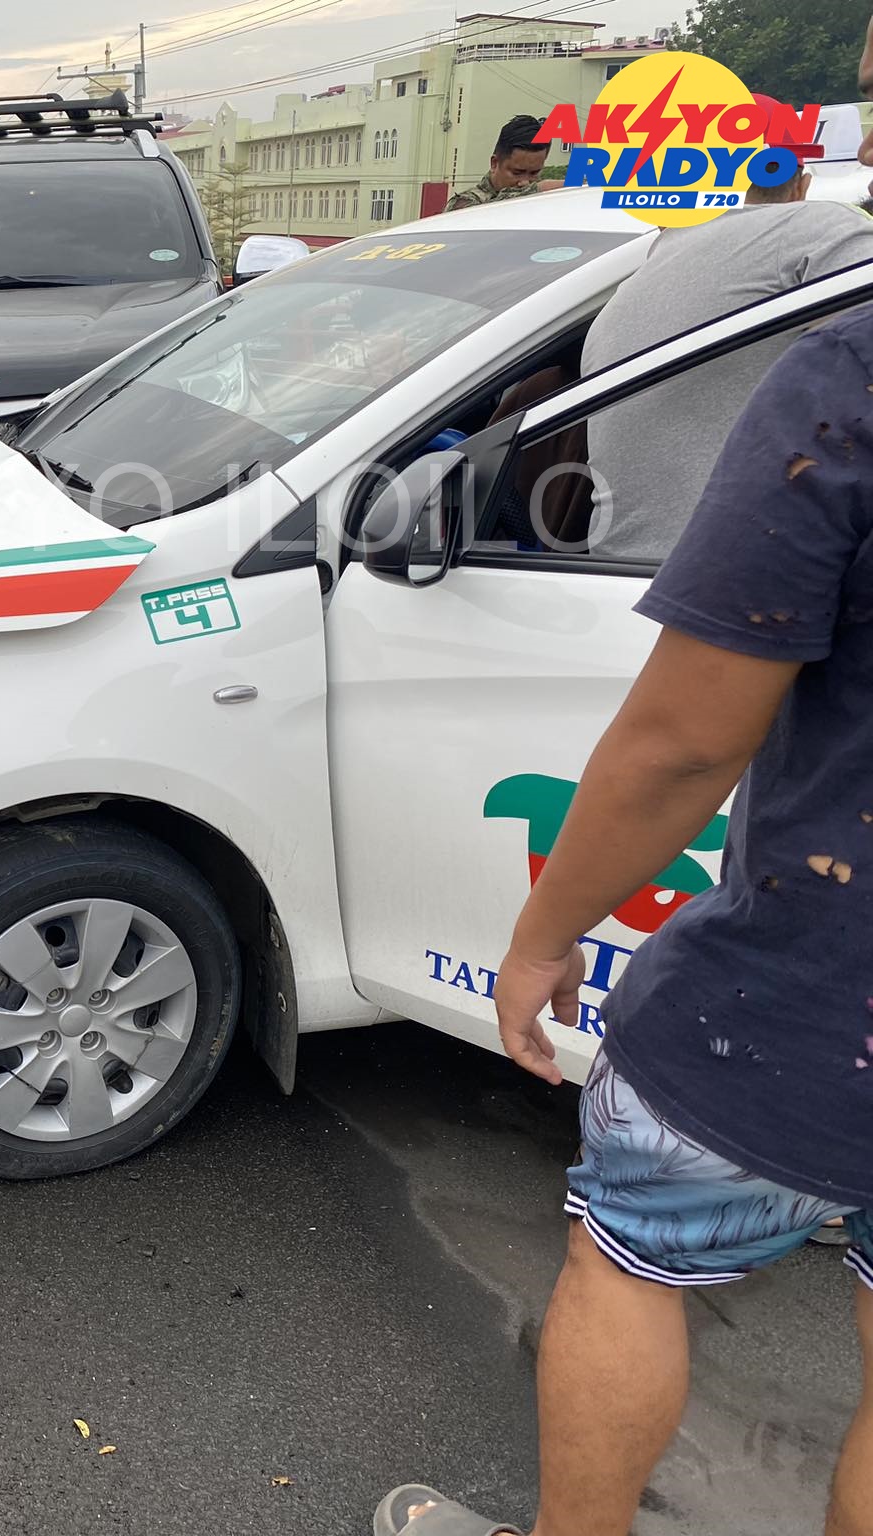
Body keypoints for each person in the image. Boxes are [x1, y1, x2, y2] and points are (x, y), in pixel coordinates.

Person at [373, 47, 873, 1536]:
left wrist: (544, 939)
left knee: (634, 1258)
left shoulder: (832, 352)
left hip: (809, 993)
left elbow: (682, 742)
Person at [581, 98, 873, 560]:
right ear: (801, 186)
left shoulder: (632, 281)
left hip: (615, 573)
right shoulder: (815, 227)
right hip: (739, 586)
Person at [445, 116, 554, 211]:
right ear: (494, 163)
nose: (525, 183)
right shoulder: (465, 203)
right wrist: (540, 189)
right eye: (517, 173)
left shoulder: (542, 203)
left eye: (534, 173)